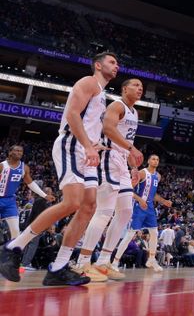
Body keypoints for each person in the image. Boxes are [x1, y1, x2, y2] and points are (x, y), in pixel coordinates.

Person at [0, 52, 119, 286]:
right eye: (112, 62)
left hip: (87, 150)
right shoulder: (88, 82)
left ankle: (59, 266)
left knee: (88, 207)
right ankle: (13, 247)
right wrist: (87, 145)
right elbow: (73, 114)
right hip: (72, 146)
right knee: (73, 202)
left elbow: (87, 122)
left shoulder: (102, 93)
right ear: (98, 64)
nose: (117, 66)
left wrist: (96, 144)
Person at [74, 78, 146, 281]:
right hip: (109, 157)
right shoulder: (117, 105)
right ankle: (82, 263)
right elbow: (108, 129)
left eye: (142, 87)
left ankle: (104, 261)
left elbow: (127, 141)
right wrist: (131, 149)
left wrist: (133, 166)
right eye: (135, 85)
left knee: (125, 212)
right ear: (124, 89)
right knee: (105, 210)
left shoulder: (135, 112)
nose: (140, 89)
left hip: (122, 161)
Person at [111, 154, 172, 272]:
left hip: (149, 207)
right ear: (148, 161)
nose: (156, 161)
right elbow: (129, 189)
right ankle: (115, 262)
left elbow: (153, 194)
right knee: (130, 235)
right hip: (138, 206)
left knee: (154, 232)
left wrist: (164, 201)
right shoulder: (142, 173)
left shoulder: (158, 176)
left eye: (158, 159)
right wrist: (140, 200)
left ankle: (152, 259)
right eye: (153, 159)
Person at [0, 144, 53, 239]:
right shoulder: (2, 166)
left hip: (10, 201)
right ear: (10, 152)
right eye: (16, 150)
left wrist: (44, 195)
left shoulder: (24, 168)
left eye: (21, 151)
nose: (19, 152)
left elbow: (31, 184)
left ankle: (11, 253)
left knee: (16, 232)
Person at [20, 186, 56, 270]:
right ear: (48, 193)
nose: (51, 194)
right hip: (35, 226)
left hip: (30, 225)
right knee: (32, 245)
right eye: (50, 193)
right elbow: (41, 216)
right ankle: (26, 264)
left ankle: (23, 263)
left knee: (29, 245)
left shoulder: (39, 200)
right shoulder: (42, 201)